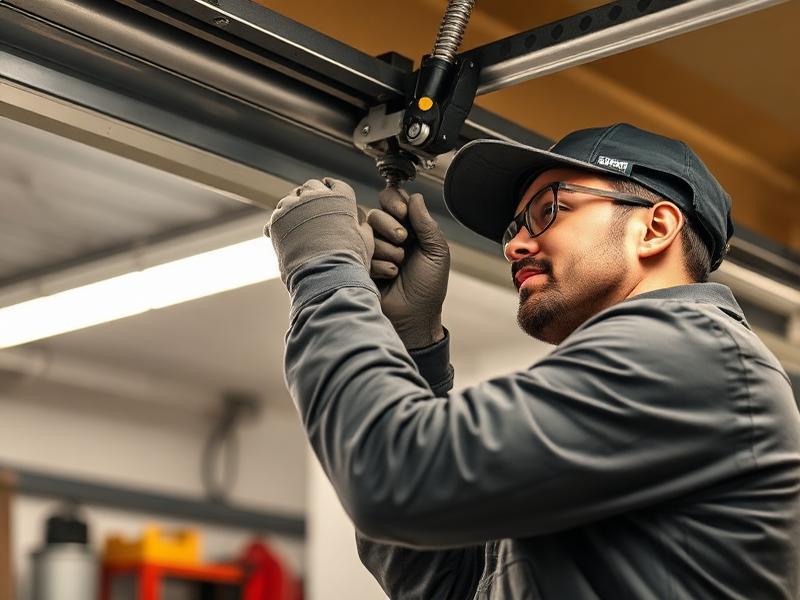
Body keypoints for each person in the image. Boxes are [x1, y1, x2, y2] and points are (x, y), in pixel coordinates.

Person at [265, 123, 800, 599]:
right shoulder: (640, 385)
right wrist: (411, 347)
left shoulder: (690, 353)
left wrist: (326, 274)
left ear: (656, 228)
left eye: (549, 210)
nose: (515, 245)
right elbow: (451, 585)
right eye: (513, 228)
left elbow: (393, 480)